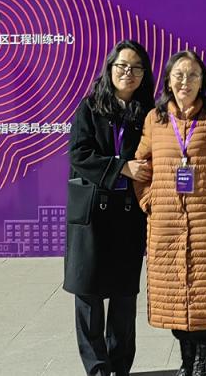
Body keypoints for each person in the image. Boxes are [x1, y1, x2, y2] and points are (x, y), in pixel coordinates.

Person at [134, 50, 206, 376]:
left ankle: (202, 362)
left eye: (193, 75)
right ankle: (186, 360)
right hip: (166, 224)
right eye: (179, 75)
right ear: (168, 80)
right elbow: (140, 166)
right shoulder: (155, 120)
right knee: (173, 296)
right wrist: (150, 201)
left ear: (202, 81)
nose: (186, 81)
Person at [64, 40, 155, 376]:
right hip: (92, 215)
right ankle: (97, 369)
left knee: (123, 297)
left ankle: (120, 366)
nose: (128, 73)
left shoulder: (148, 114)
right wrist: (121, 168)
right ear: (110, 69)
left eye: (136, 68)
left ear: (144, 75)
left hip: (128, 216)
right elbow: (79, 154)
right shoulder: (90, 107)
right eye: (122, 66)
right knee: (87, 295)